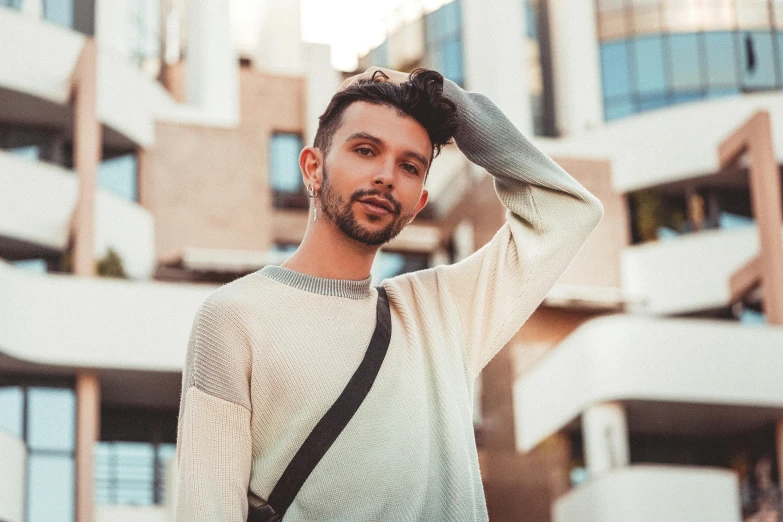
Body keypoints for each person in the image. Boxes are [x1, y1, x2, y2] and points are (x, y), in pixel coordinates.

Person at [175, 66, 604, 521]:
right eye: (365, 150)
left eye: (409, 166)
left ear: (418, 203)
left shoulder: (440, 313)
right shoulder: (234, 317)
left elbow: (567, 211)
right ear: (312, 168)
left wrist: (438, 94)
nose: (385, 176)